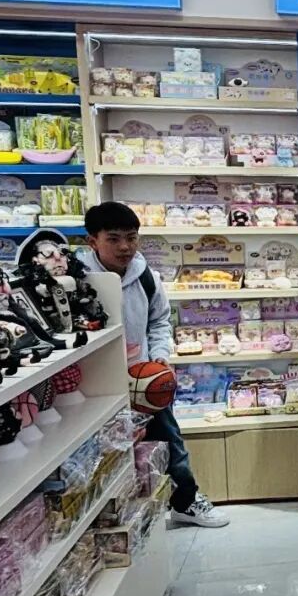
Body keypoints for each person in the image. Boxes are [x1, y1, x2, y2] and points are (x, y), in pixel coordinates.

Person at [79, 201, 230, 528]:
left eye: (131, 238)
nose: (125, 247)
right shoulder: (77, 280)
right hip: (96, 385)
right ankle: (109, 519)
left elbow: (159, 320)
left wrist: (160, 354)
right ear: (92, 241)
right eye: (114, 239)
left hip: (145, 381)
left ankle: (186, 502)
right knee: (105, 451)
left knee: (169, 441)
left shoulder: (145, 276)